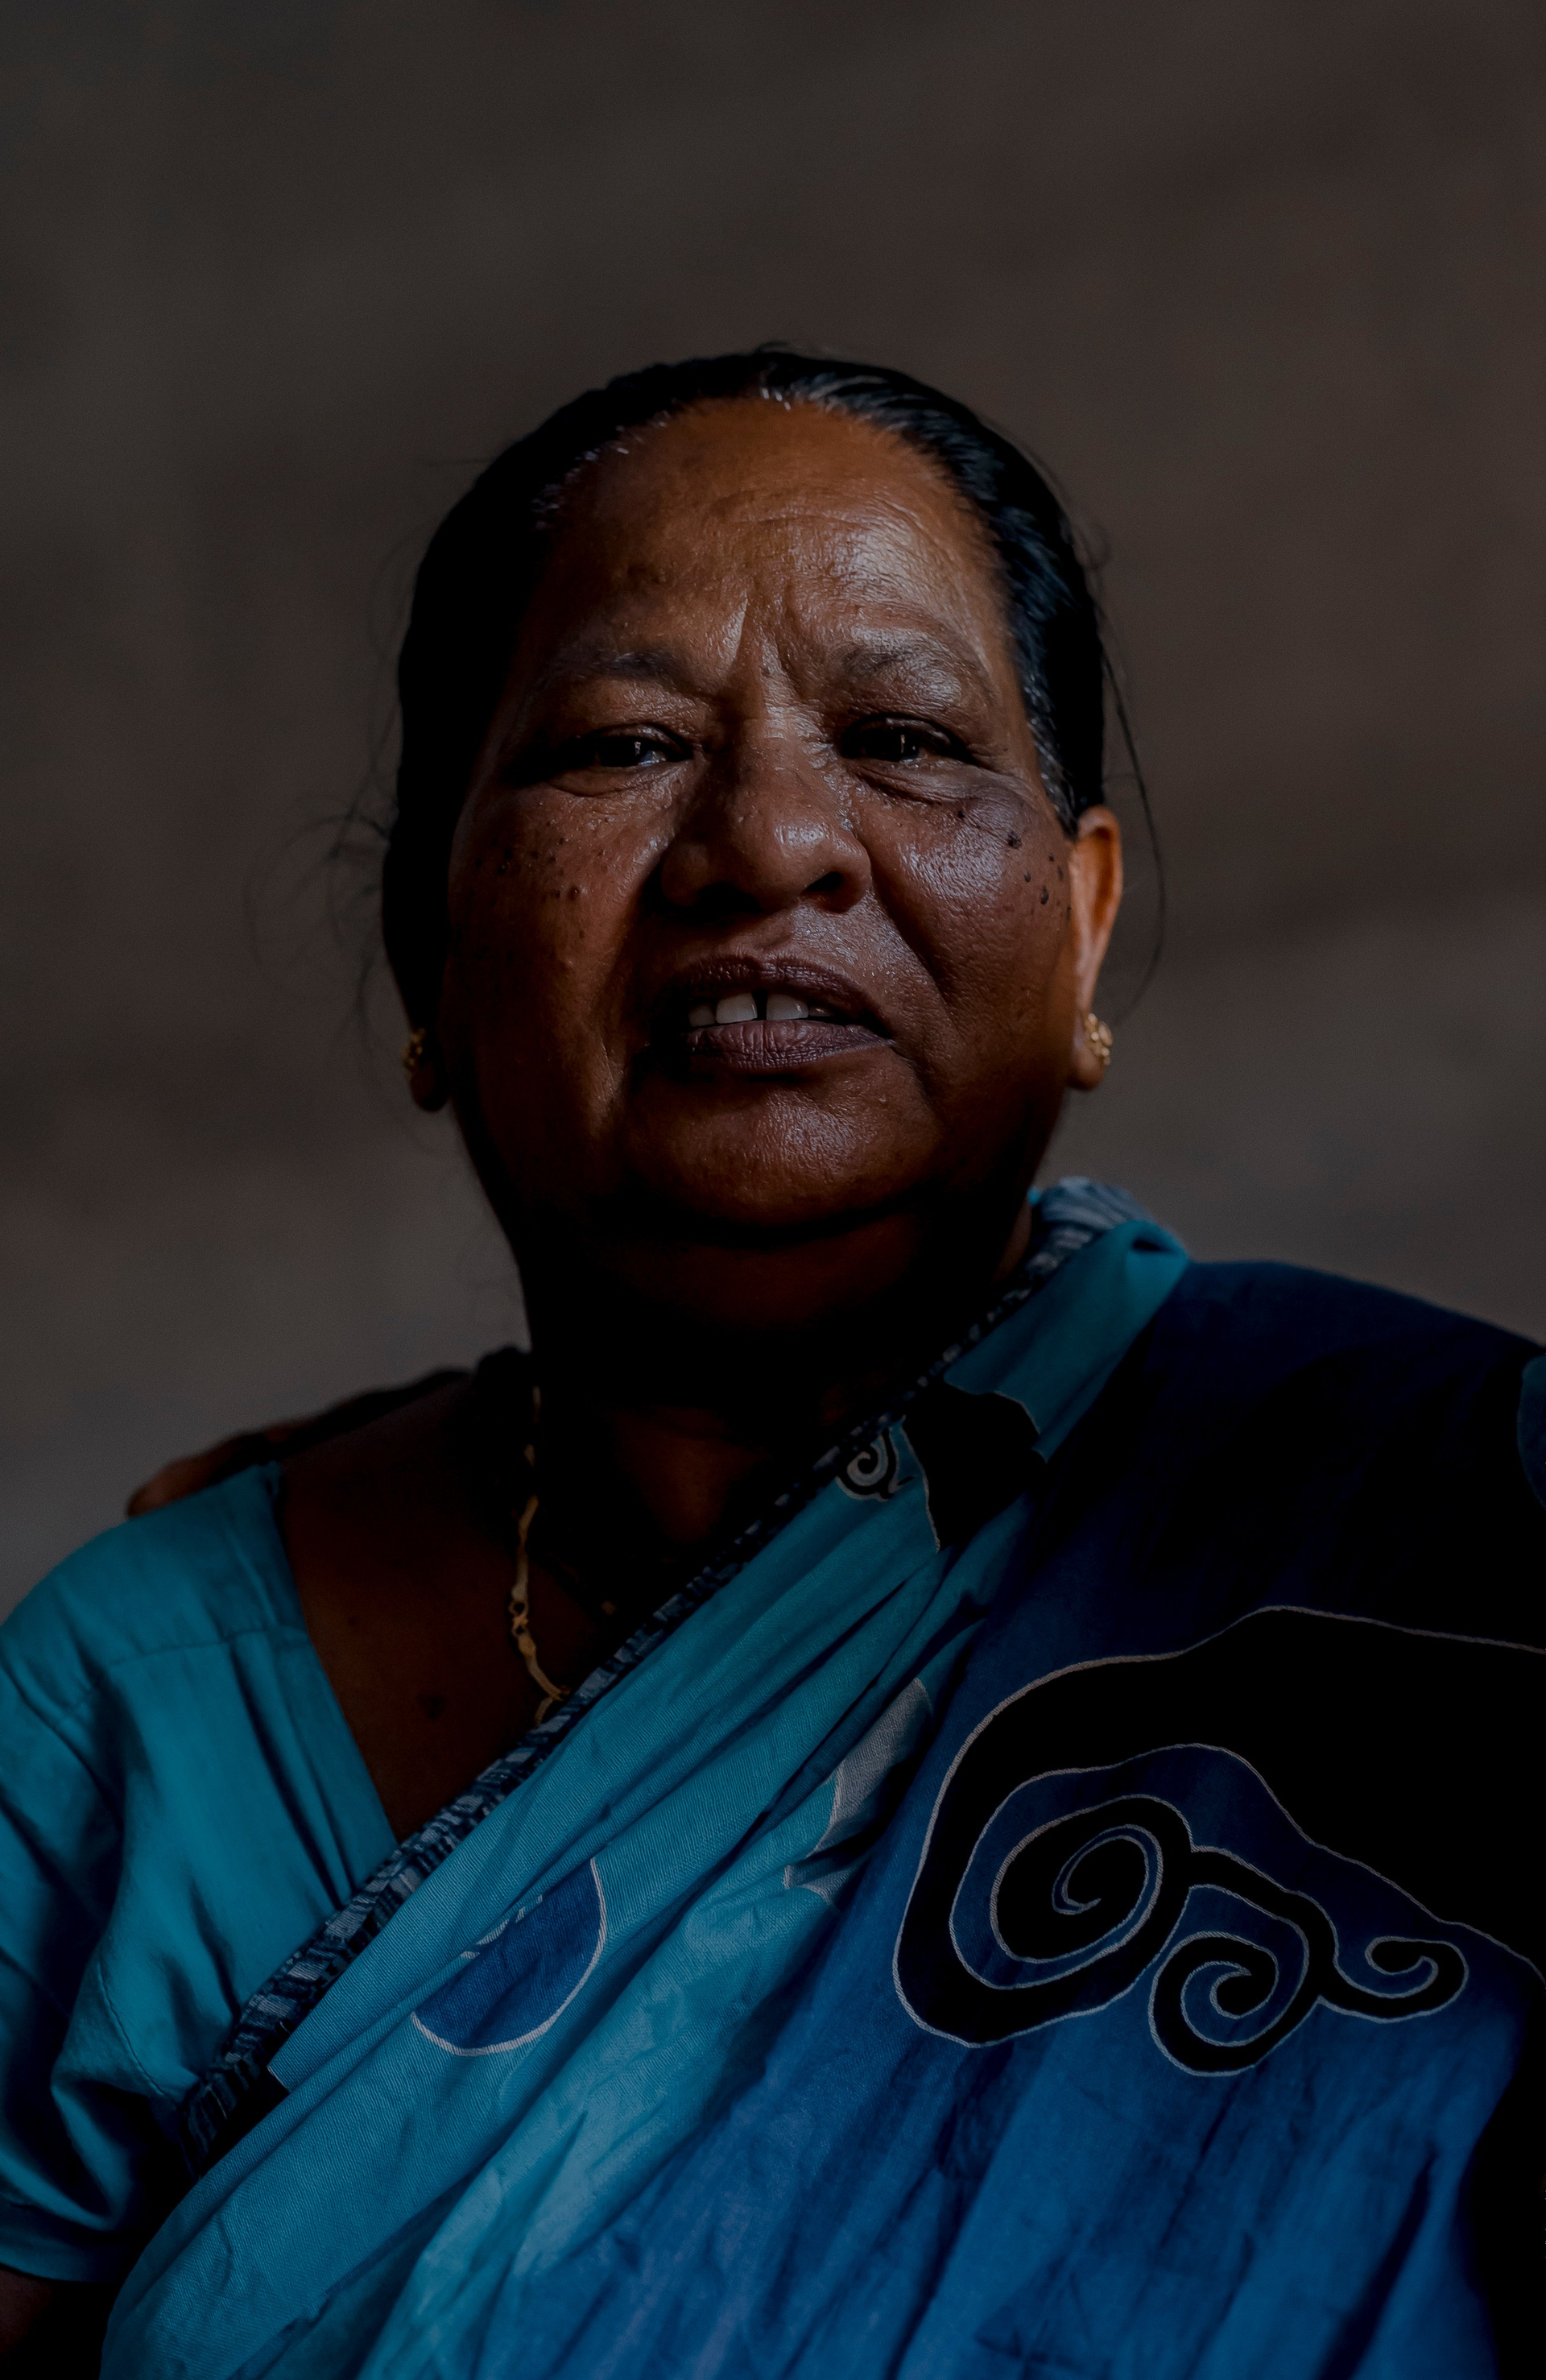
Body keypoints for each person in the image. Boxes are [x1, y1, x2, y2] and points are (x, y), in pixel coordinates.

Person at [0, 350, 1540, 2380]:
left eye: (902, 738)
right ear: (429, 948)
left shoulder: (1445, 1511)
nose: (772, 842)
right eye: (624, 744)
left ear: (1082, 932)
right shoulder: (145, 1702)